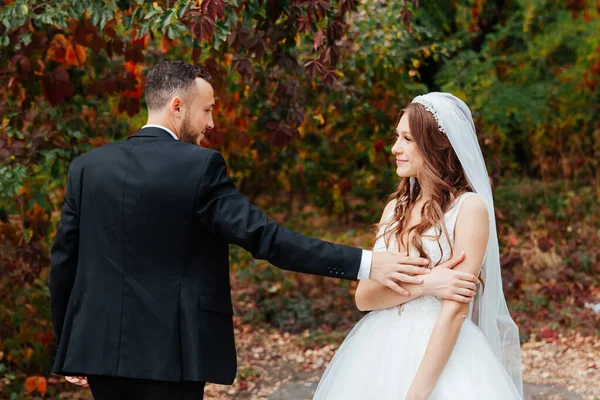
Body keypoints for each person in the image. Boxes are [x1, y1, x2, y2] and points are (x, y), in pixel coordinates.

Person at [49, 62, 478, 400]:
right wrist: (365, 262)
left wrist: (68, 344)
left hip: (98, 347)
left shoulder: (87, 167)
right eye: (208, 109)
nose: (211, 123)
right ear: (177, 106)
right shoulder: (198, 167)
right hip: (171, 351)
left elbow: (64, 260)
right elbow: (267, 239)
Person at [313, 93, 523, 399]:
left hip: (443, 356)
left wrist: (415, 395)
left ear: (437, 145)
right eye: (397, 137)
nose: (395, 148)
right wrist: (427, 283)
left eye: (407, 139)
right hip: (378, 351)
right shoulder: (394, 209)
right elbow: (364, 298)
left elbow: (455, 312)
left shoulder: (469, 209)